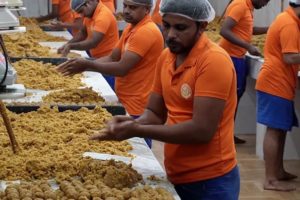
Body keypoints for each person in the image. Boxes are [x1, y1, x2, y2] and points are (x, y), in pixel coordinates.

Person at [87, 0, 240, 199]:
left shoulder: (213, 61)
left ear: (202, 26)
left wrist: (137, 129)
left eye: (181, 28)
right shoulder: (166, 57)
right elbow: (155, 113)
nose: (170, 35)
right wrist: (132, 122)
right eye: (166, 26)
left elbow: (202, 131)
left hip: (210, 179)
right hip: (177, 171)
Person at [57, 0, 164, 148]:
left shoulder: (146, 31)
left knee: (138, 148)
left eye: (133, 7)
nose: (126, 11)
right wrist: (86, 66)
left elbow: (121, 68)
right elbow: (113, 57)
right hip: (126, 98)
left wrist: (87, 64)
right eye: (125, 6)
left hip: (138, 103)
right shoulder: (131, 28)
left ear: (146, 10)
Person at [256, 0, 300, 192]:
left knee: (279, 129)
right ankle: (270, 179)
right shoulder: (289, 23)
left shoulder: (288, 19)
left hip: (279, 82)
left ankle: (278, 171)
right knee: (274, 130)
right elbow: (289, 57)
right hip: (275, 83)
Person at [219, 0, 271, 144]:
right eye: (266, 0)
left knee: (235, 99)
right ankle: (223, 136)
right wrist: (247, 46)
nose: (265, 4)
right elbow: (224, 30)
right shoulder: (240, 5)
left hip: (238, 57)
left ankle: (228, 134)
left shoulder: (248, 8)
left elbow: (247, 30)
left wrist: (269, 29)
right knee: (230, 100)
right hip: (231, 58)